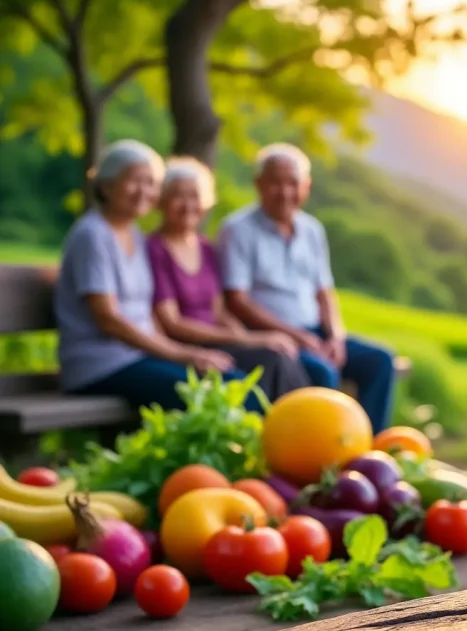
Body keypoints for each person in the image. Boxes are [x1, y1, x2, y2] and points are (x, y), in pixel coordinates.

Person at [54, 140, 263, 412]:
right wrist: (183, 354)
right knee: (223, 394)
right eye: (134, 180)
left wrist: (184, 352)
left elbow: (147, 313)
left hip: (137, 357)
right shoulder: (93, 235)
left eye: (152, 183)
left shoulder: (137, 237)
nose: (144, 191)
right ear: (105, 185)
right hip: (99, 365)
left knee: (236, 384)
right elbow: (109, 320)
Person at [218, 143, 396, 432]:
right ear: (259, 184)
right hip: (273, 337)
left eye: (293, 183)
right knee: (324, 373)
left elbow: (324, 292)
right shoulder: (237, 229)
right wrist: (297, 336)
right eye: (276, 183)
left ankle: (370, 452)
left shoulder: (312, 230)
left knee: (380, 361)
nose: (285, 192)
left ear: (306, 186)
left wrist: (335, 336)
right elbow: (237, 301)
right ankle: (327, 455)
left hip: (315, 332)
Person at [146, 156, 311, 401]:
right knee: (270, 362)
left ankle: (307, 425)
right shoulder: (155, 249)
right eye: (178, 196)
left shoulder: (204, 247)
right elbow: (172, 323)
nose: (188, 205)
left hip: (218, 341)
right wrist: (247, 338)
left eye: (195, 196)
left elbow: (219, 312)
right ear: (162, 200)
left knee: (279, 354)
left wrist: (252, 340)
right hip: (187, 346)